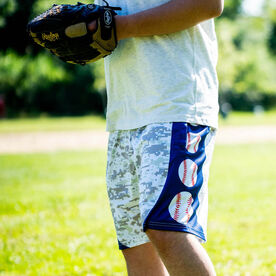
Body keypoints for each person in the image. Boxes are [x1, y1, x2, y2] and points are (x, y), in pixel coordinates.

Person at [90, 0, 224, 275]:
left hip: (174, 102)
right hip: (125, 111)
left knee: (167, 228)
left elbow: (208, 4)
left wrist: (119, 27)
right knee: (137, 246)